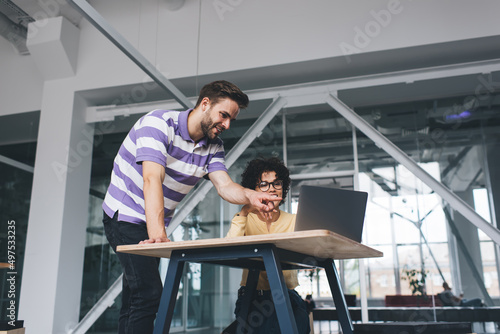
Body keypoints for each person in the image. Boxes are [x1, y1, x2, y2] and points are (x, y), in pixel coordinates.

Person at [102, 81, 281, 334]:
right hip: (125, 216)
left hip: (152, 222)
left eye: (232, 119)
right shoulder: (158, 125)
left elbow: (224, 186)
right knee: (149, 293)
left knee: (136, 296)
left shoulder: (213, 146)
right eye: (224, 115)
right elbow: (152, 179)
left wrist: (251, 196)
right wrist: (158, 235)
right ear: (205, 104)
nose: (227, 124)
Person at [226, 157, 310, 334]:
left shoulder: (295, 221)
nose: (271, 188)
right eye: (263, 184)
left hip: (286, 296)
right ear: (253, 190)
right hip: (253, 295)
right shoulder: (245, 217)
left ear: (283, 187)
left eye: (276, 183)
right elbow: (228, 248)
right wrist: (245, 210)